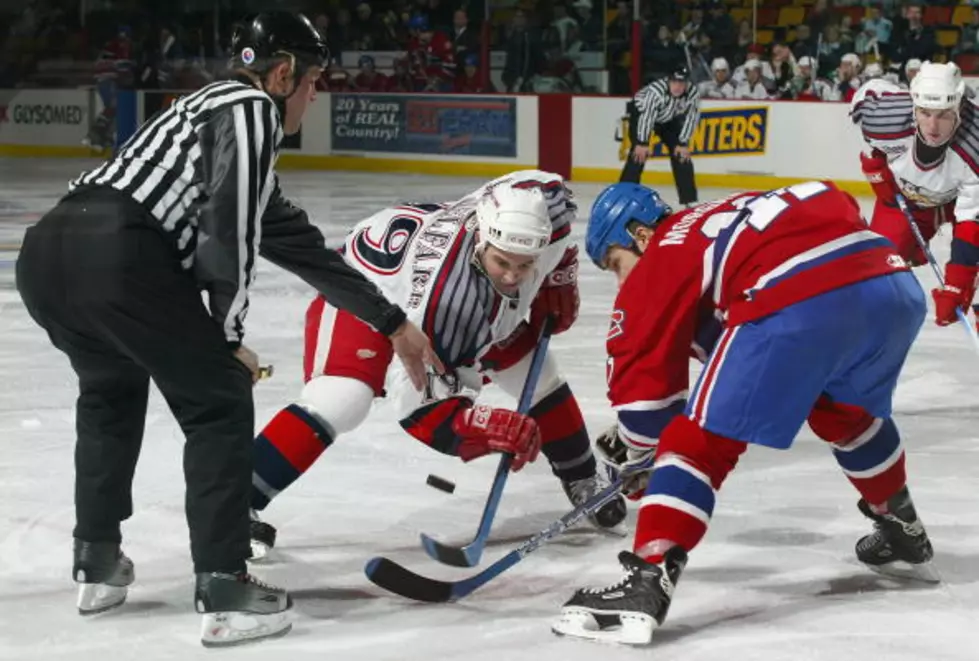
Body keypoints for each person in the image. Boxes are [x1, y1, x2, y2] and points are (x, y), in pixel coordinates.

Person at [15, 11, 440, 648]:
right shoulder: (249, 109)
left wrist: (394, 322)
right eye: (314, 80)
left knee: (109, 394)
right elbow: (228, 227)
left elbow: (300, 247)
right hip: (121, 253)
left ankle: (97, 561)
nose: (315, 96)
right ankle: (224, 583)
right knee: (218, 400)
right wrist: (227, 333)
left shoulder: (207, 120)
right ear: (282, 72)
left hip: (50, 253)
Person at [550, 181, 937, 646]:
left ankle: (646, 582)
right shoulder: (728, 213)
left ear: (640, 235)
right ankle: (902, 527)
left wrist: (637, 455)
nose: (620, 280)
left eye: (615, 264)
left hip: (798, 297)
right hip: (892, 287)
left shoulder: (662, 254)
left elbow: (647, 401)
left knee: (695, 441)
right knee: (844, 415)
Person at [248, 170, 628, 558]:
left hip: (453, 283)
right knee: (342, 398)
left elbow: (551, 202)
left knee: (539, 371)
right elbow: (418, 405)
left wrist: (558, 278)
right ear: (483, 238)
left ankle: (583, 478)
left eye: (526, 264)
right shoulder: (447, 298)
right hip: (366, 289)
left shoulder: (544, 206)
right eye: (503, 262)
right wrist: (476, 425)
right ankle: (237, 501)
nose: (514, 277)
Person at [851, 61, 979, 331]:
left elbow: (971, 223)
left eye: (944, 115)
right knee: (878, 265)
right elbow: (867, 94)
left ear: (959, 109)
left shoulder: (974, 146)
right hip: (908, 200)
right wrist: (877, 173)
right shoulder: (882, 118)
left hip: (958, 200)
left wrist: (958, 282)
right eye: (925, 113)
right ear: (913, 107)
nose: (933, 126)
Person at [620, 66, 700, 207]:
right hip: (641, 113)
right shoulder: (655, 92)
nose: (678, 87)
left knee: (682, 156)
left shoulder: (692, 92)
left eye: (682, 83)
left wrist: (682, 143)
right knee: (638, 155)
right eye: (674, 82)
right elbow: (647, 117)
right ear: (668, 81)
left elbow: (692, 118)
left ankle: (689, 201)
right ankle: (623, 197)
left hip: (668, 118)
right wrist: (642, 142)